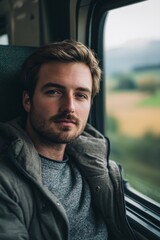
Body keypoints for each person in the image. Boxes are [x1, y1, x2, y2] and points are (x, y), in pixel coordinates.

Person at [0, 40, 136, 240]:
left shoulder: (98, 162)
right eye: (54, 92)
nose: (69, 107)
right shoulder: (5, 181)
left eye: (81, 95)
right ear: (27, 101)